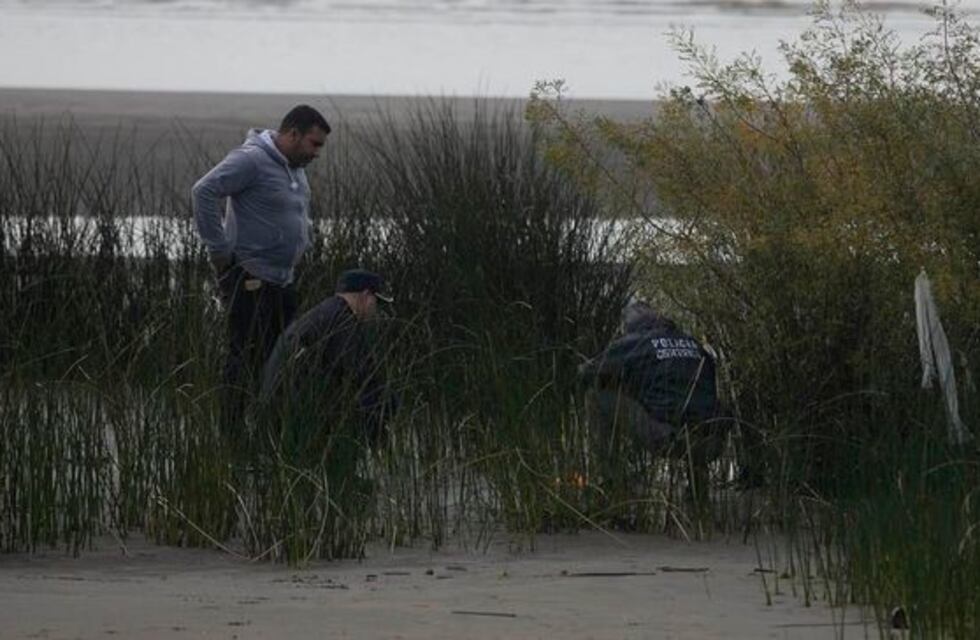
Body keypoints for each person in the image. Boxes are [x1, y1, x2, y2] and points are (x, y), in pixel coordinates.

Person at [192, 104, 331, 441]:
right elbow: (203, 192)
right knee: (244, 361)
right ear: (293, 134)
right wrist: (220, 252)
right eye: (314, 144)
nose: (317, 153)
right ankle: (232, 438)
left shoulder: (294, 166)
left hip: (283, 281)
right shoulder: (251, 159)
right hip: (250, 278)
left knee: (280, 361)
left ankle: (267, 435)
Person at [578, 301, 726, 503]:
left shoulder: (635, 342)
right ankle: (698, 492)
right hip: (714, 443)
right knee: (695, 410)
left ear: (630, 325)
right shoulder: (696, 346)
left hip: (669, 438)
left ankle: (609, 482)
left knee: (596, 397)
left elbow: (587, 372)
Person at [259, 269, 398, 461]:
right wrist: (384, 428)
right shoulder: (343, 322)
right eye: (377, 302)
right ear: (366, 296)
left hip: (272, 416)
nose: (377, 311)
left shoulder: (322, 313)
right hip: (292, 421)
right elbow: (365, 380)